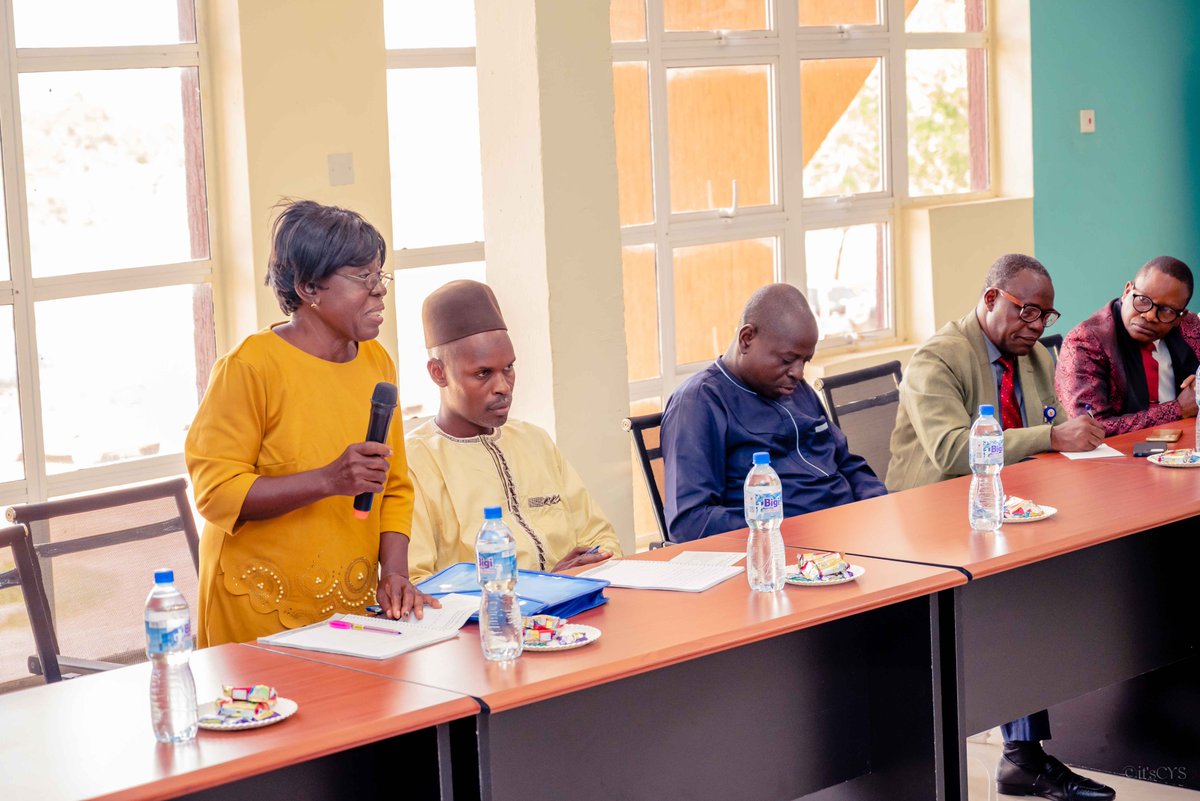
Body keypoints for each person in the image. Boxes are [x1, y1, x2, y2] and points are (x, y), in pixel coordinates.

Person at [886, 254, 1113, 801]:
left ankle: (1024, 755)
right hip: (932, 519)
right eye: (1026, 311)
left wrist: (1071, 437)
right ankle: (1022, 757)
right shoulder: (938, 358)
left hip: (1006, 507)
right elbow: (951, 451)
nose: (1036, 326)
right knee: (1023, 597)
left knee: (1069, 574)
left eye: (1046, 317)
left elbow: (1050, 424)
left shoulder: (1031, 356)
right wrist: (1050, 439)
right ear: (990, 299)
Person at [186, 200, 436, 647]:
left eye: (380, 276)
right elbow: (216, 491)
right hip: (255, 609)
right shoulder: (250, 367)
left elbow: (394, 485)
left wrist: (395, 573)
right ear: (309, 288)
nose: (379, 291)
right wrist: (328, 480)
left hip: (349, 611)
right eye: (362, 277)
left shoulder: (377, 362)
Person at [405, 280, 622, 581]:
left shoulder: (535, 441)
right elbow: (417, 584)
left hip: (581, 604)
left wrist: (590, 565)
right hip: (491, 613)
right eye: (483, 373)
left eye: (508, 368)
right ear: (438, 373)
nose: (503, 387)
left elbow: (601, 538)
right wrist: (545, 585)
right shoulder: (415, 462)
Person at [660, 283, 886, 542]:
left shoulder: (796, 389)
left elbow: (845, 461)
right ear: (747, 339)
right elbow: (690, 522)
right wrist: (783, 527)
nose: (798, 373)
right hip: (782, 549)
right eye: (787, 360)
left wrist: (876, 504)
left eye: (805, 361)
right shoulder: (699, 403)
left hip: (846, 535)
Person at [1057, 256, 1199, 436]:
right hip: (1119, 452)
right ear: (1127, 291)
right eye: (1143, 300)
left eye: (1166, 310)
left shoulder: (1189, 326)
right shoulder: (1085, 342)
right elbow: (1091, 428)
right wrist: (1178, 409)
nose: (1149, 316)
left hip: (1186, 443)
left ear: (1180, 317)